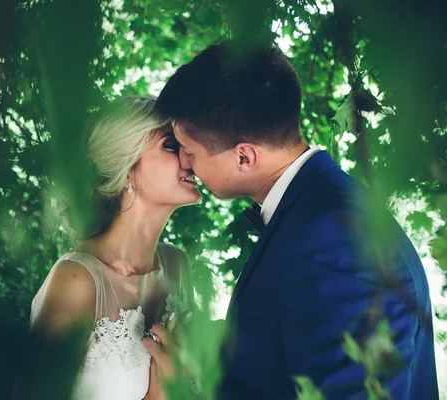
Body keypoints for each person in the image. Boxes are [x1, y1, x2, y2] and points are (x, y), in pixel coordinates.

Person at [145, 41, 439, 399]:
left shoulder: (338, 241)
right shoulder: (319, 211)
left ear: (244, 156)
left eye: (190, 151)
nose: (185, 163)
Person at [18, 97, 200, 400]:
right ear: (126, 168)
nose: (190, 156)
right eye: (170, 145)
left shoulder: (177, 265)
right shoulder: (76, 280)